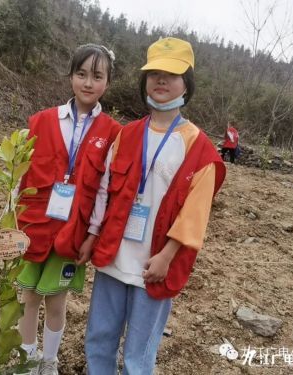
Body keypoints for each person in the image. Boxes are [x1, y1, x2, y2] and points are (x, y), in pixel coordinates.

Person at [78, 37, 226, 374]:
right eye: (154, 73)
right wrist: (92, 234)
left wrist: (167, 255)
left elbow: (195, 214)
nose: (161, 80)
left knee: (138, 355)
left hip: (153, 264)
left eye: (171, 75)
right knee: (98, 339)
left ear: (186, 84)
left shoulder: (199, 149)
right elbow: (104, 191)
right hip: (113, 257)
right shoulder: (126, 135)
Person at [14, 44, 121, 375]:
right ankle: (28, 362)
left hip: (72, 233)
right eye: (81, 74)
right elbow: (18, 177)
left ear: (107, 82)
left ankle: (50, 361)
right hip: (33, 228)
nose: (88, 83)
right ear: (71, 76)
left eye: (97, 76)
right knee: (28, 297)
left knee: (57, 301)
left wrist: (92, 234)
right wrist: (8, 222)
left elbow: (104, 190)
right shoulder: (41, 121)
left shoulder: (113, 132)